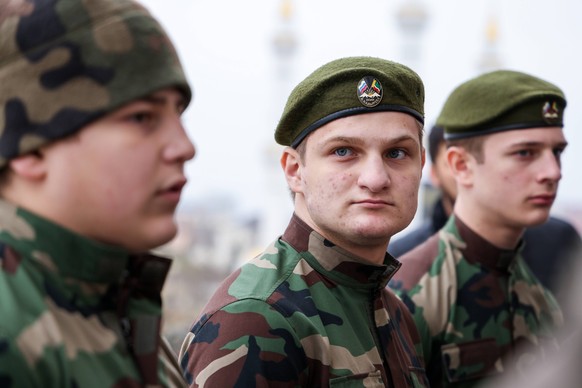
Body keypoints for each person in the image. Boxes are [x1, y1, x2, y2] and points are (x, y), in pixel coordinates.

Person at [179, 56, 429, 387]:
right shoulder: (255, 320)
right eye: (343, 151)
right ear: (295, 171)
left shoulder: (392, 311)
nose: (376, 178)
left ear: (422, 164)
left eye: (397, 153)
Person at [0, 0, 195, 386]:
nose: (185, 146)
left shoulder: (119, 303)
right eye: (142, 117)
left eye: (178, 113)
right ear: (32, 148)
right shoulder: (11, 324)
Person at [388, 69, 567, 388]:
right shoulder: (409, 298)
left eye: (557, 152)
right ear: (460, 166)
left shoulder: (538, 295)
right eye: (525, 153)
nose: (552, 172)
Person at [388, 125, 581, 294]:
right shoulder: (400, 258)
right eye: (457, 162)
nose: (468, 169)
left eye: (556, 152)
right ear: (434, 174)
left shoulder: (559, 240)